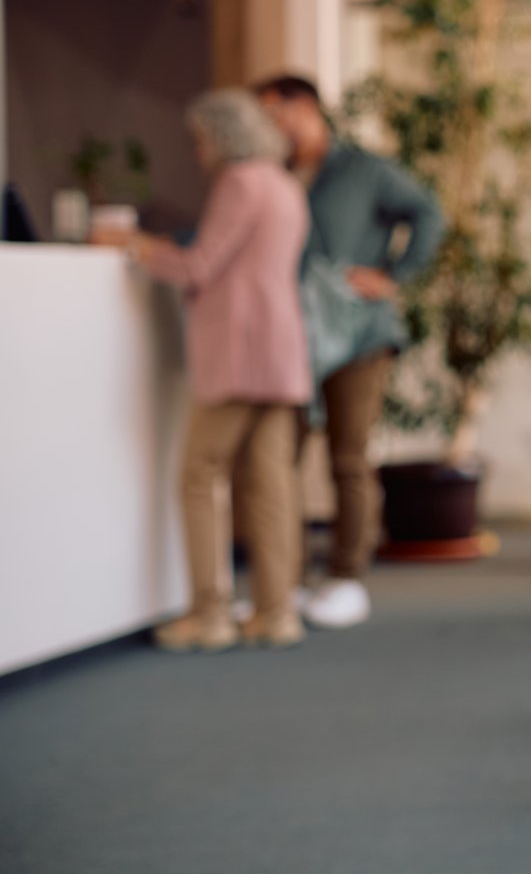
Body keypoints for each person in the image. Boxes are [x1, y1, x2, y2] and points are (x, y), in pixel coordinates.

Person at [97, 89, 311, 651]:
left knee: (199, 475)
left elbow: (198, 267)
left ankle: (209, 615)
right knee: (272, 487)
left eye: (199, 139)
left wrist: (135, 245)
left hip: (239, 352)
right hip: (281, 349)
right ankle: (276, 612)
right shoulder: (285, 183)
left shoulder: (240, 182)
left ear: (220, 135)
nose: (197, 152)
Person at [253, 75, 445, 630]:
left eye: (272, 111)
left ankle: (345, 577)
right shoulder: (275, 176)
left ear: (305, 107)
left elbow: (428, 213)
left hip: (359, 335)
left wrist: (393, 275)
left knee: (347, 456)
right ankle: (281, 582)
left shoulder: (364, 168)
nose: (268, 124)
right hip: (294, 336)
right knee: (278, 457)